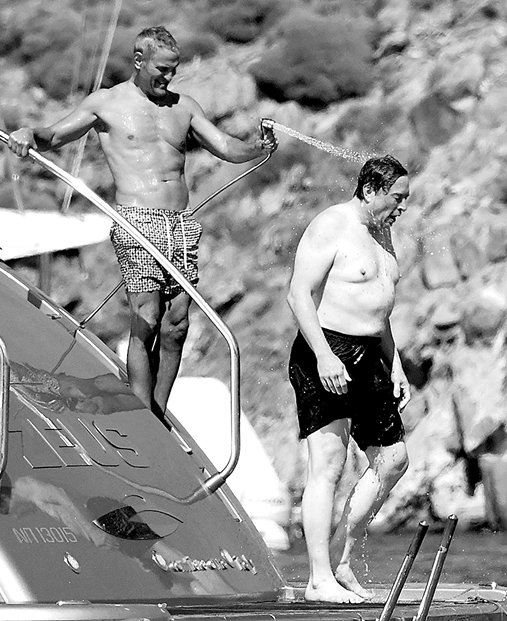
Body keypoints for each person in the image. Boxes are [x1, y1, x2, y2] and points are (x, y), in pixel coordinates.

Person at [8, 26, 277, 421]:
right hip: (136, 220)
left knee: (176, 325)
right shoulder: (106, 103)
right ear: (139, 61)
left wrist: (256, 147)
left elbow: (225, 147)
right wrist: (29, 134)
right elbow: (53, 135)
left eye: (174, 69)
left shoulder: (185, 107)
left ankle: (158, 413)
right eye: (162, 69)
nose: (169, 77)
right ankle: (139, 410)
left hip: (180, 223)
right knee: (147, 317)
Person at [287, 155, 411, 604]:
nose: (402, 207)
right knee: (329, 464)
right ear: (371, 189)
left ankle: (341, 560)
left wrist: (395, 363)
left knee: (394, 459)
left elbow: (379, 307)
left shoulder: (382, 232)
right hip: (327, 351)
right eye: (397, 197)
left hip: (371, 355)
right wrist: (323, 356)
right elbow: (298, 294)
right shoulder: (331, 225)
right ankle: (318, 579)